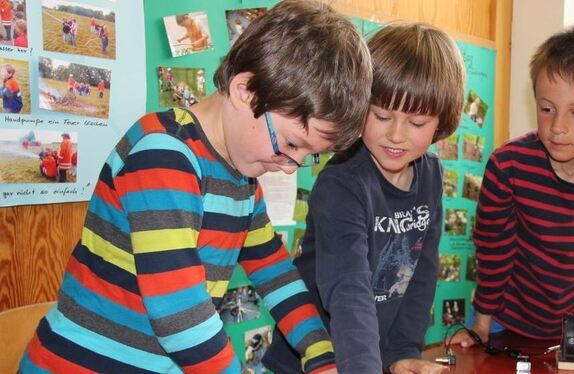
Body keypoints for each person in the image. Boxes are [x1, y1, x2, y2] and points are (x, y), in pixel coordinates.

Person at [19, 1, 372, 372]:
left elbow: (277, 275)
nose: (290, 168)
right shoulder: (163, 155)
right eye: (291, 144)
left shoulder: (242, 181)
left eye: (308, 155)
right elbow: (180, 316)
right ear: (246, 91)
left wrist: (320, 354)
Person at [264, 22, 466, 373]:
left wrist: (402, 352)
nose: (397, 135)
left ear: (441, 122)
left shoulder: (431, 177)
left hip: (370, 358)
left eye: (416, 123)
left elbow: (420, 275)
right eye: (382, 116)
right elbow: (348, 290)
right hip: (310, 360)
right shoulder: (341, 185)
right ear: (359, 107)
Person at [449, 24, 574, 348]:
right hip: (500, 320)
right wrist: (481, 323)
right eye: (546, 109)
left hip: (567, 328)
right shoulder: (509, 166)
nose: (557, 127)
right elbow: (494, 249)